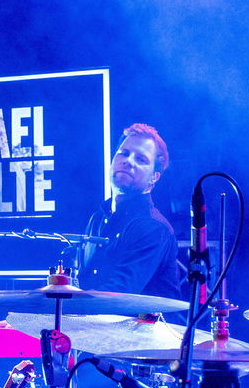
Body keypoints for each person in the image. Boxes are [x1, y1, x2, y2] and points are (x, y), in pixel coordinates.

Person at [80, 122, 187, 298]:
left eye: (141, 159)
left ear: (154, 177)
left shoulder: (152, 227)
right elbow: (86, 280)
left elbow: (121, 292)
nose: (128, 161)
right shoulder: (98, 218)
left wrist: (73, 302)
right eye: (124, 153)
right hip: (100, 323)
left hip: (148, 325)